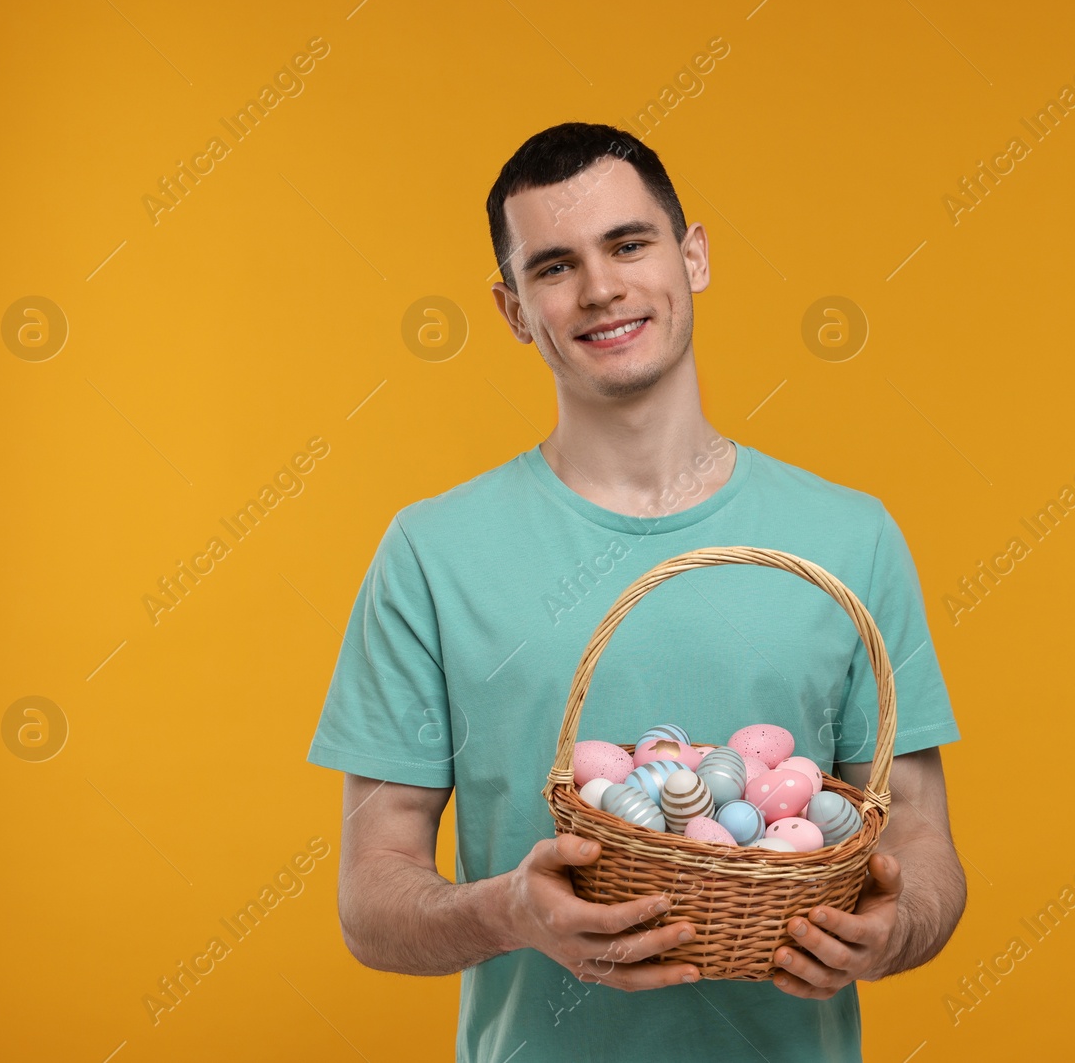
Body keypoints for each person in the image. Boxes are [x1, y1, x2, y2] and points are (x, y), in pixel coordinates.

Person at [306, 121, 967, 1061]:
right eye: (553, 266)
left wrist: (894, 930)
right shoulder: (431, 552)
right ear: (512, 309)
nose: (601, 288)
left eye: (629, 243)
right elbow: (372, 899)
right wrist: (511, 911)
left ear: (692, 256)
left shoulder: (851, 537)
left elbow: (922, 835)